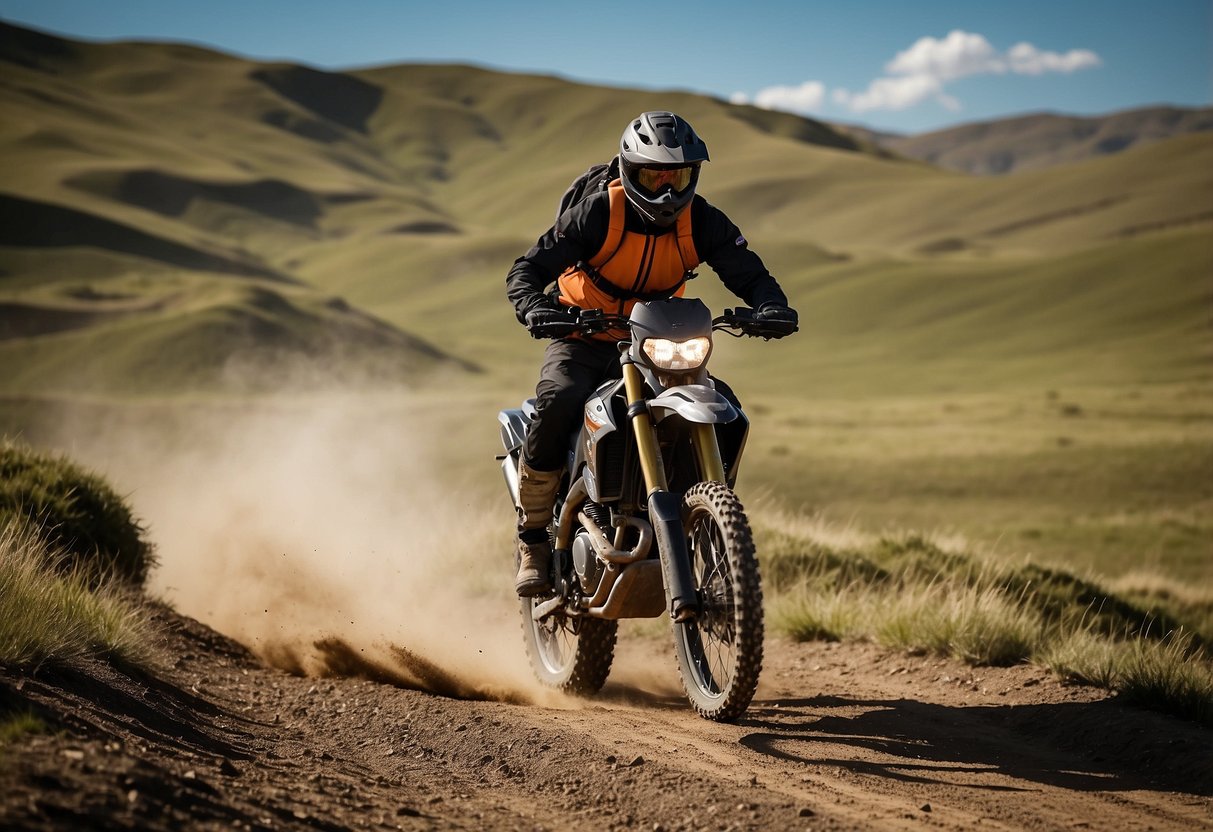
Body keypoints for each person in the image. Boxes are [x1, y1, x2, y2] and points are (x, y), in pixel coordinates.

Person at [505, 110, 798, 597]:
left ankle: (707, 522)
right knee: (559, 401)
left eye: (677, 177)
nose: (666, 192)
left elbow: (749, 272)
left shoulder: (702, 220)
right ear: (627, 170)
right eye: (652, 176)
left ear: (693, 176)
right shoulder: (598, 212)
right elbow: (527, 269)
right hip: (582, 336)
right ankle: (533, 538)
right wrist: (536, 307)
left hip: (656, 346)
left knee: (725, 409)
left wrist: (771, 307)